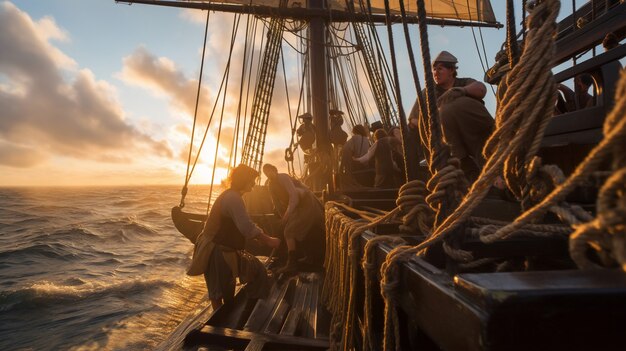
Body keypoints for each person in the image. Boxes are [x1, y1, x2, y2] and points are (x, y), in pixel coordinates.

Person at [187, 164, 281, 310]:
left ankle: (237, 311)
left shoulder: (233, 196)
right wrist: (269, 240)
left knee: (233, 284)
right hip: (216, 250)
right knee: (218, 292)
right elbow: (246, 227)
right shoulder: (233, 198)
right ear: (244, 180)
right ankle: (221, 321)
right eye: (252, 180)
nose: (254, 184)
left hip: (225, 248)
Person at [409, 50, 495, 181]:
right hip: (445, 141)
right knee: (445, 113)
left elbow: (481, 89)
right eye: (434, 70)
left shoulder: (465, 83)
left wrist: (461, 91)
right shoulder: (427, 93)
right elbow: (413, 120)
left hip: (472, 134)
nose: (435, 73)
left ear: (451, 70)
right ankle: (465, 169)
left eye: (440, 69)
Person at [262, 163, 325, 274]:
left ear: (275, 170)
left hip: (306, 202)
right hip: (296, 205)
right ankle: (308, 257)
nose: (268, 174)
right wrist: (283, 219)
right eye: (265, 173)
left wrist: (287, 217)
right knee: (294, 228)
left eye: (269, 171)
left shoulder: (283, 177)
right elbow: (277, 205)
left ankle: (292, 264)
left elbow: (294, 197)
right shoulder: (271, 186)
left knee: (289, 231)